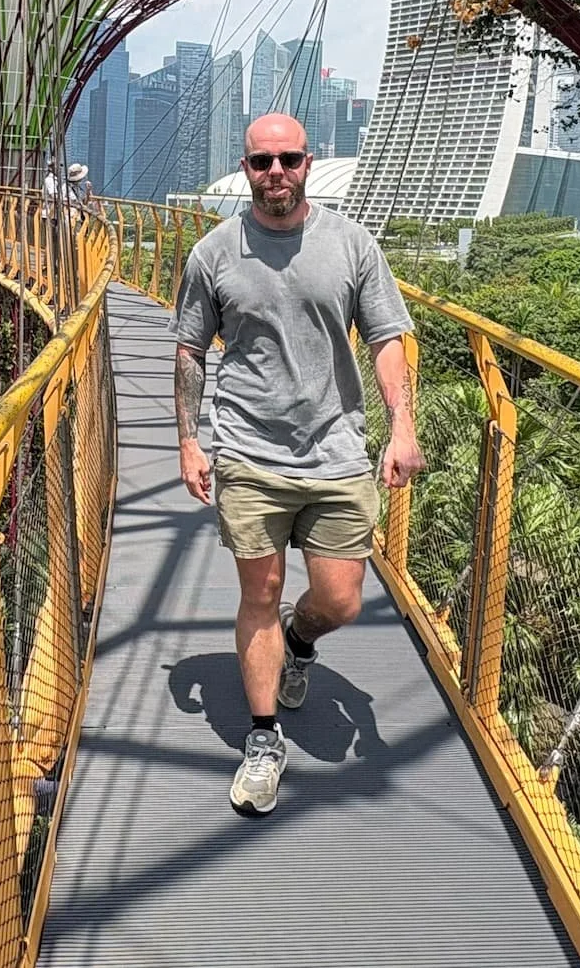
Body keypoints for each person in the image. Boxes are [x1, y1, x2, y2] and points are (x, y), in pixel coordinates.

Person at [172, 111, 422, 817]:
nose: (275, 172)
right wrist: (190, 441)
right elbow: (189, 350)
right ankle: (262, 739)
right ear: (245, 169)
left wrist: (401, 427)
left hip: (336, 448)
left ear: (309, 162)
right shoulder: (214, 253)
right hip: (248, 449)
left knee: (341, 600)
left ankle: (298, 638)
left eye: (288, 159)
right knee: (261, 590)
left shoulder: (352, 244)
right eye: (262, 162)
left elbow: (387, 337)